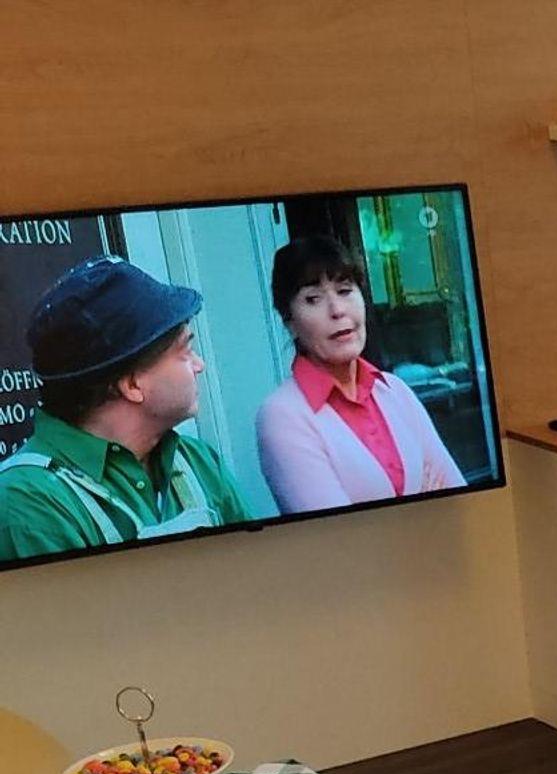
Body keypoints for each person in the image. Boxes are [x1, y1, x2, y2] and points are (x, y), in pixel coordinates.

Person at [0, 257, 260, 563]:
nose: (199, 365)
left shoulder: (198, 460)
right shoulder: (27, 503)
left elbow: (259, 573)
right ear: (133, 384)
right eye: (185, 351)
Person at [255, 235, 464, 513]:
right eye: (313, 299)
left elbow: (460, 504)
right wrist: (423, 507)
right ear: (289, 321)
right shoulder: (282, 416)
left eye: (344, 290)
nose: (337, 310)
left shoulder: (395, 390)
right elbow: (338, 533)